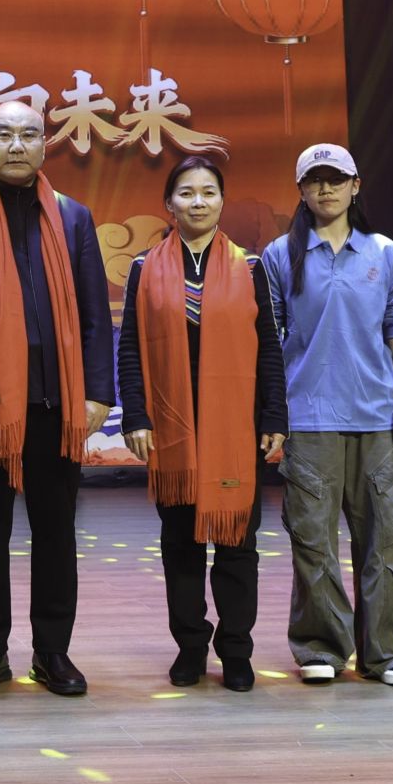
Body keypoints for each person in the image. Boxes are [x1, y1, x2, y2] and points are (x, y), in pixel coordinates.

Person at [0, 100, 114, 696]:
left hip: (57, 402)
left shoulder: (73, 218)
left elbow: (94, 312)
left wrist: (97, 392)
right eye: (4, 134)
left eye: (28, 134)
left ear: (45, 144)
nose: (16, 145)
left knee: (56, 531)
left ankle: (52, 652)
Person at [118, 155, 286, 692]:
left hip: (237, 428)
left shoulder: (250, 267)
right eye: (186, 193)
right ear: (169, 203)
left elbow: (269, 349)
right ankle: (190, 646)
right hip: (172, 428)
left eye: (208, 192)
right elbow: (130, 349)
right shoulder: (144, 268)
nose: (198, 202)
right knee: (181, 544)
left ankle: (236, 650)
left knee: (238, 545)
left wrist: (274, 415)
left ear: (221, 201)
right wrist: (136, 414)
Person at [261, 144, 393, 688]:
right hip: (309, 415)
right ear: (301, 190)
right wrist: (274, 412)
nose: (325, 189)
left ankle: (384, 653)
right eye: (314, 180)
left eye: (336, 179)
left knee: (385, 538)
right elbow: (270, 338)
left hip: (377, 415)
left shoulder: (385, 251)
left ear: (356, 186)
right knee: (313, 540)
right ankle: (321, 646)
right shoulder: (280, 255)